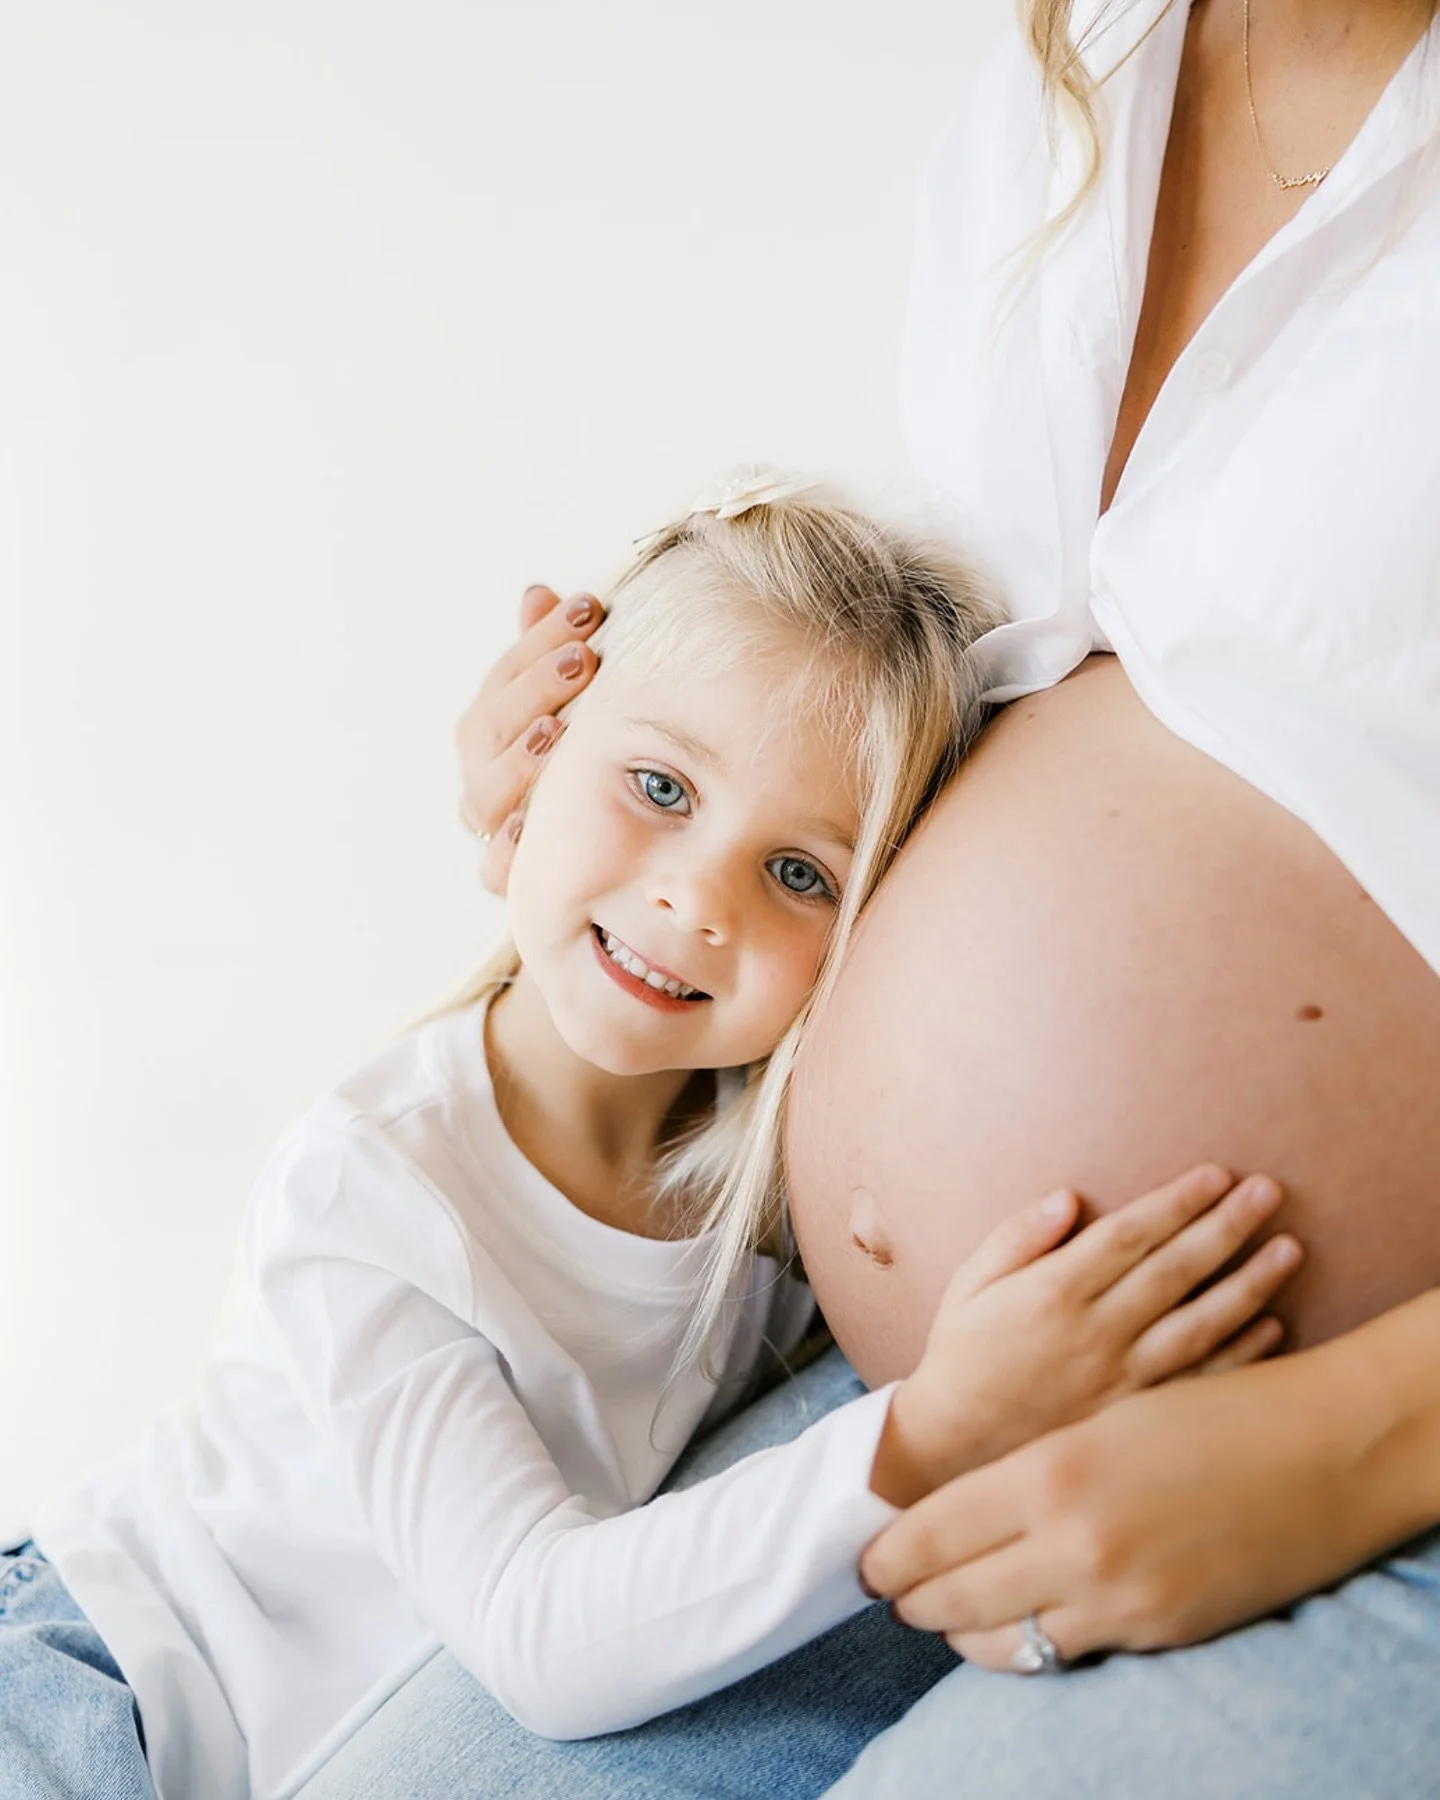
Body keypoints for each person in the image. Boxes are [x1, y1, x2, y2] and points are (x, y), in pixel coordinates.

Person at [303, 0, 1440, 1795]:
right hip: (930, 1388)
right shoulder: (1070, 71)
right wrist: (626, 797)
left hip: (1366, 1447)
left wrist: (1350, 1446)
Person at [4, 482, 1298, 1800]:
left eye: (801, 874)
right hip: (94, 1688)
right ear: (536, 754)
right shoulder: (376, 1191)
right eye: (660, 785)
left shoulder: (764, 1169)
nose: (696, 896)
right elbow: (536, 1631)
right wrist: (936, 1427)